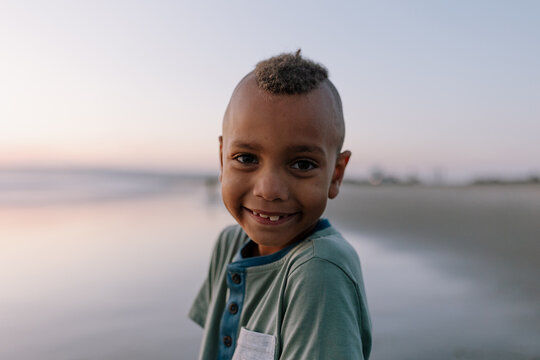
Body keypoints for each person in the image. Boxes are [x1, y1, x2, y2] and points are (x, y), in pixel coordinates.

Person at [189, 50, 372, 360]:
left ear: (336, 174)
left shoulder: (318, 272)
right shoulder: (228, 244)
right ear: (222, 159)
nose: (269, 190)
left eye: (302, 164)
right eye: (246, 158)